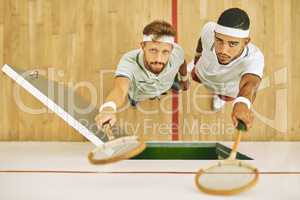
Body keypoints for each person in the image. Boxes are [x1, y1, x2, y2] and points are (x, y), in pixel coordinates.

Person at [95, 20, 189, 128]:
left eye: (165, 52)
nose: (159, 59)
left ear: (172, 49)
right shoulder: (129, 61)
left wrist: (185, 79)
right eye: (153, 50)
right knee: (133, 99)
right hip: (139, 94)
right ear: (143, 46)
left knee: (176, 85)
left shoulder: (178, 52)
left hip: (166, 86)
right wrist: (108, 108)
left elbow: (182, 63)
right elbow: (120, 89)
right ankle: (134, 101)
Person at [191, 8, 264, 129]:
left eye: (232, 44)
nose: (223, 51)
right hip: (203, 72)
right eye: (219, 40)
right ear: (214, 35)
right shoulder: (209, 29)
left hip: (227, 88)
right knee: (194, 76)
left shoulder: (255, 58)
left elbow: (251, 84)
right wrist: (197, 56)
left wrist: (242, 102)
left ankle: (219, 97)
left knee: (224, 97)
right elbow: (201, 41)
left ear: (246, 42)